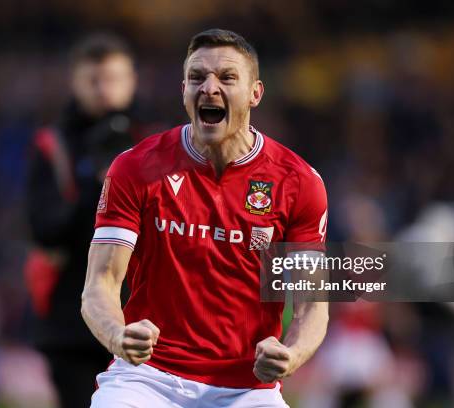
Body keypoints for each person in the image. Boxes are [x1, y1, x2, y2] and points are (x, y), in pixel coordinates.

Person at [81, 29, 329, 407]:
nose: (209, 87)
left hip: (248, 389)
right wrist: (117, 335)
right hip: (147, 378)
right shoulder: (135, 168)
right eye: (197, 77)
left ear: (255, 93)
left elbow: (313, 304)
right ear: (184, 90)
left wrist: (291, 355)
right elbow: (100, 282)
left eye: (227, 78)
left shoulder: (299, 182)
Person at [25, 33, 151, 408]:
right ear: (75, 82)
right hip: (70, 324)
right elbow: (44, 232)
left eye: (113, 79)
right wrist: (94, 186)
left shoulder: (156, 144)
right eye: (93, 79)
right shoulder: (53, 146)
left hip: (142, 317)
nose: (103, 89)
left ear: (132, 82)